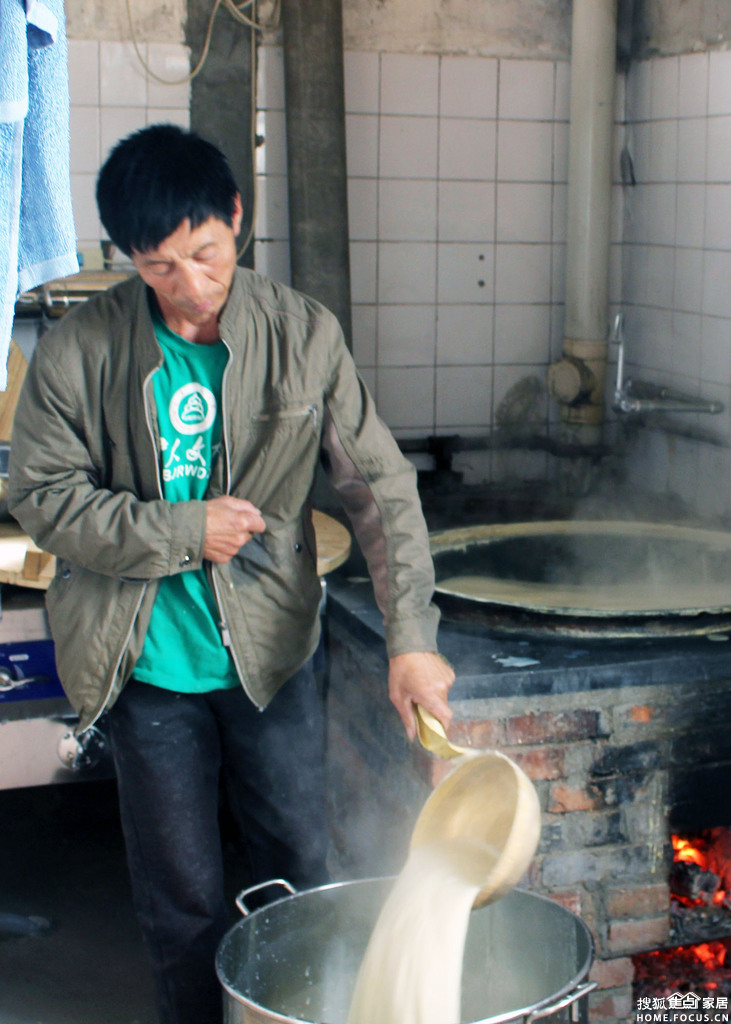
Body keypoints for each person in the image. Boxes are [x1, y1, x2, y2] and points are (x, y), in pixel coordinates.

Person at [7, 123, 454, 1024]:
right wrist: (183, 529)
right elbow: (45, 499)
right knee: (182, 899)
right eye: (159, 266)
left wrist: (411, 641)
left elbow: (382, 492)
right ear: (125, 255)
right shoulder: (77, 350)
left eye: (205, 254)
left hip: (273, 654)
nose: (191, 287)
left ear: (236, 221)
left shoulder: (303, 334)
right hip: (146, 665)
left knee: (300, 870)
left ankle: (305, 1014)